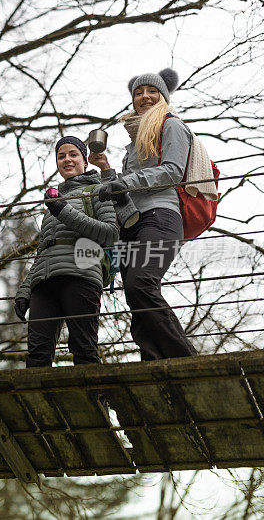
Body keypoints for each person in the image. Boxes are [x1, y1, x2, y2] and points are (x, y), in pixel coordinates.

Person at [89, 68, 198, 361]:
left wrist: (124, 181)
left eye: (152, 91)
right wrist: (107, 171)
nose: (144, 96)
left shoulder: (171, 125)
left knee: (141, 283)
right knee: (136, 296)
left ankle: (185, 359)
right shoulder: (135, 140)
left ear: (163, 95)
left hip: (161, 215)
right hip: (132, 223)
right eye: (138, 92)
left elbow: (173, 172)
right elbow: (128, 189)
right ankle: (152, 364)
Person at [14, 137, 119, 367]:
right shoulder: (54, 203)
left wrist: (64, 211)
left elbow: (111, 233)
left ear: (85, 161)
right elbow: (44, 249)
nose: (67, 160)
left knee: (83, 346)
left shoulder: (98, 191)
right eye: (61, 156)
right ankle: (41, 403)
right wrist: (25, 290)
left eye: (73, 154)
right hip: (44, 281)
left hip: (82, 274)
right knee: (37, 353)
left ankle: (94, 401)